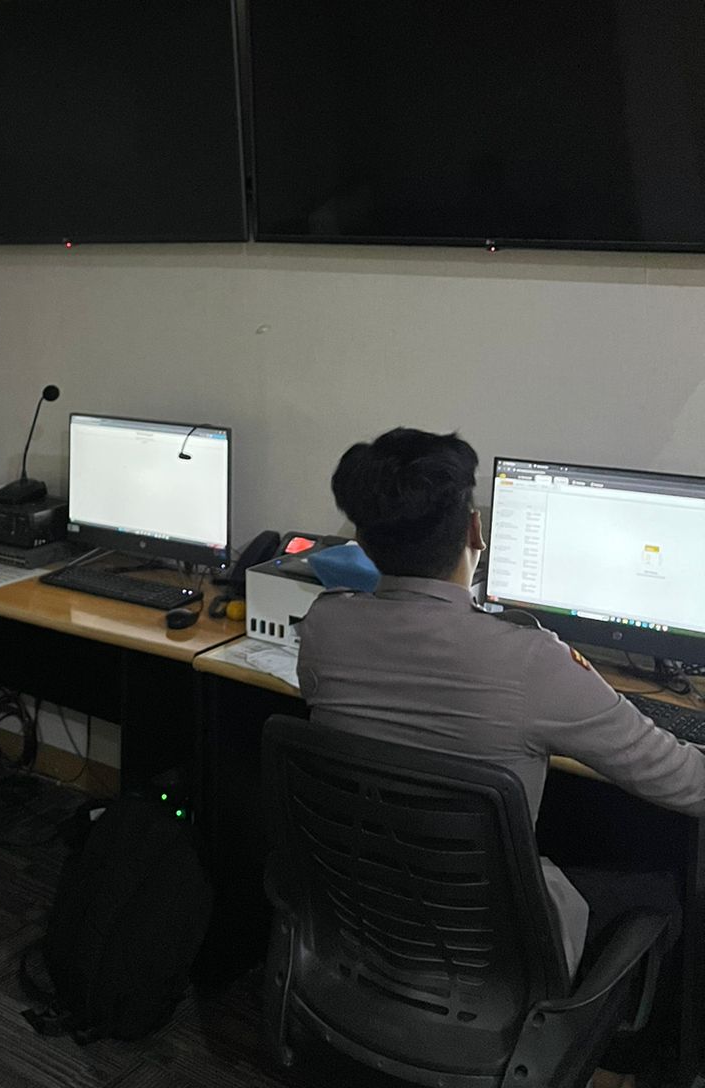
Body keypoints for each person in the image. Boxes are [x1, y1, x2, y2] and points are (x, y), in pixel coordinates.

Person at [297, 426, 705, 1088]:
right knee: (665, 883)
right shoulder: (531, 660)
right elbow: (688, 784)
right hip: (496, 953)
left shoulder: (323, 627)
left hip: (364, 919)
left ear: (363, 543)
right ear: (475, 531)